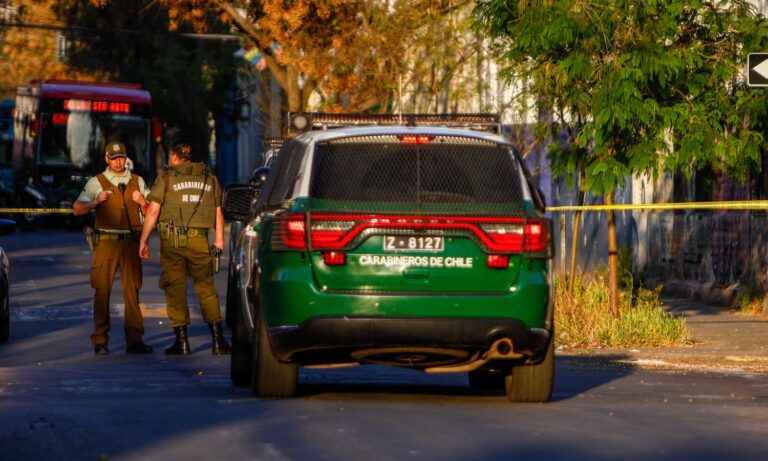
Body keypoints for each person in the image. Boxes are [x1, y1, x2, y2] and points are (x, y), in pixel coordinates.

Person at [138, 143, 231, 355]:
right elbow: (218, 213)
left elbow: (152, 212)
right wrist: (219, 241)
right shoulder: (210, 179)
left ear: (174, 156)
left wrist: (143, 240)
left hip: (173, 242)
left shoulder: (167, 179)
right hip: (199, 241)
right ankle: (218, 341)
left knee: (175, 289)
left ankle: (182, 342)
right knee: (206, 289)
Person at [73, 141, 153, 355]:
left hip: (131, 242)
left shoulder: (138, 181)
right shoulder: (96, 182)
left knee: (132, 291)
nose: (118, 161)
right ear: (106, 159)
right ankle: (100, 340)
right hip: (106, 242)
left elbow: (152, 213)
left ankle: (135, 340)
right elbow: (77, 209)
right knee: (102, 291)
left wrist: (142, 203)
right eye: (114, 157)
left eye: (121, 157)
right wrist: (95, 202)